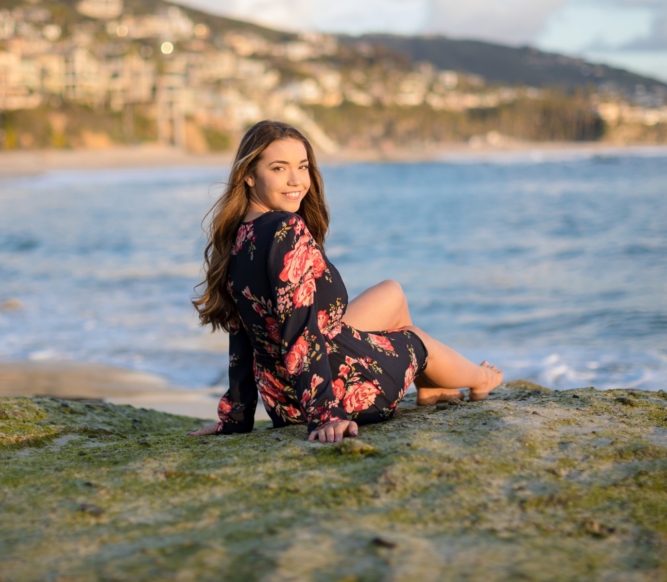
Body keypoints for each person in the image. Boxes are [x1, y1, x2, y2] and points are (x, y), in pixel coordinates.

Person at [190, 121, 502, 443]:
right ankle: (481, 378)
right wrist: (326, 415)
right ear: (249, 175)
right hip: (336, 392)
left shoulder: (239, 236)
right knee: (415, 339)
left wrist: (236, 418)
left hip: (284, 400)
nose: (296, 180)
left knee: (391, 292)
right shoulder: (286, 230)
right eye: (279, 168)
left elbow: (242, 336)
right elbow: (299, 331)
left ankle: (432, 386)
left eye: (302, 167)